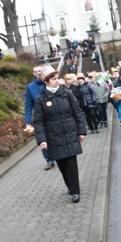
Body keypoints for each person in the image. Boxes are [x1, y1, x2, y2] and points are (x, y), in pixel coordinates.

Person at [32, 65, 87, 203]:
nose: (57, 81)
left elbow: (77, 113)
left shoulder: (67, 94)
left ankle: (75, 191)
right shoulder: (41, 99)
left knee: (71, 164)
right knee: (62, 165)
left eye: (58, 78)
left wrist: (81, 131)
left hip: (70, 133)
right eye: (53, 79)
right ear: (46, 81)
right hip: (53, 137)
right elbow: (38, 122)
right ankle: (70, 186)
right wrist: (42, 140)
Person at [24, 64, 56, 170]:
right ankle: (49, 160)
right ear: (34, 74)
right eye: (36, 71)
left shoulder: (49, 83)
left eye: (39, 71)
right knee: (42, 139)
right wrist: (27, 121)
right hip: (39, 117)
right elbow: (28, 105)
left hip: (52, 115)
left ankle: (57, 156)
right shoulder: (30, 87)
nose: (38, 73)